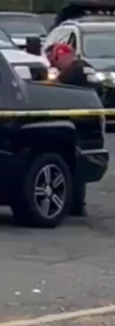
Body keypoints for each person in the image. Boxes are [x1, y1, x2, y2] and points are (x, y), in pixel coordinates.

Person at [50, 42, 96, 217]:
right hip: (92, 122)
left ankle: (74, 205)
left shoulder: (71, 71)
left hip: (77, 122)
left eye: (57, 60)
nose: (57, 65)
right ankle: (78, 206)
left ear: (63, 56)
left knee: (72, 162)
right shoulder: (87, 68)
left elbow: (56, 90)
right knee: (80, 163)